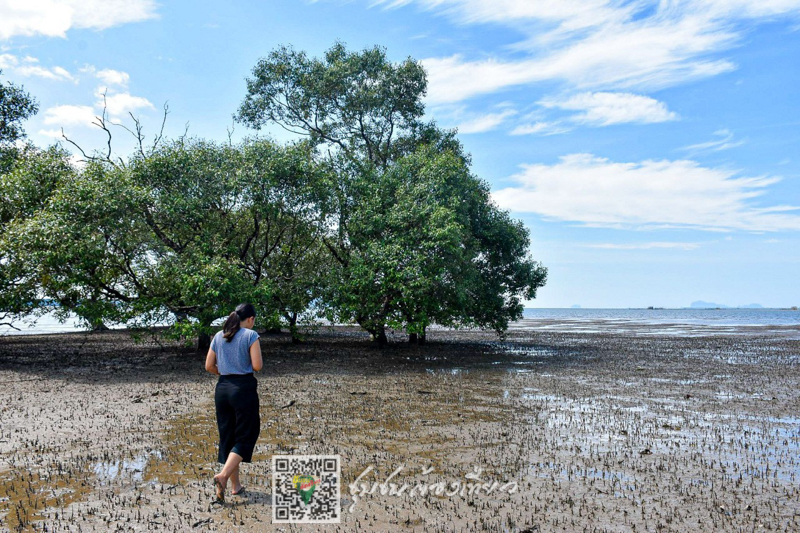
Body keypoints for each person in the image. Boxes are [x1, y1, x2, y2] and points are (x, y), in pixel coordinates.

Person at [205, 303, 263, 502]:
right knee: (247, 435)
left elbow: (208, 366)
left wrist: (223, 371)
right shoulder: (250, 335)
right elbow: (257, 365)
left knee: (229, 437)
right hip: (243, 388)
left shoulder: (218, 336)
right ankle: (222, 476)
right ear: (251, 319)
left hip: (222, 389)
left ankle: (235, 486)